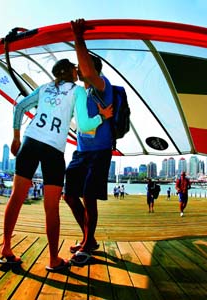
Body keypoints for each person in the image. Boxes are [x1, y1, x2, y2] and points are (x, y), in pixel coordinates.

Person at [0, 56, 112, 272]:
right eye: (75, 69)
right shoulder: (77, 91)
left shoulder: (44, 88)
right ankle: (53, 259)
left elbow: (20, 107)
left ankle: (6, 249)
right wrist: (102, 117)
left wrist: (15, 137)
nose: (78, 71)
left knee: (16, 197)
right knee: (51, 207)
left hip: (30, 142)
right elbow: (85, 125)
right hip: (53, 150)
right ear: (69, 72)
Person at [64, 19, 116, 265]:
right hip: (81, 152)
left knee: (89, 196)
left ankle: (87, 243)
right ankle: (89, 238)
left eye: (82, 67)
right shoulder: (81, 93)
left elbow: (87, 69)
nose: (78, 70)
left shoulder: (102, 86)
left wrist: (78, 37)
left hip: (99, 152)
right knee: (69, 195)